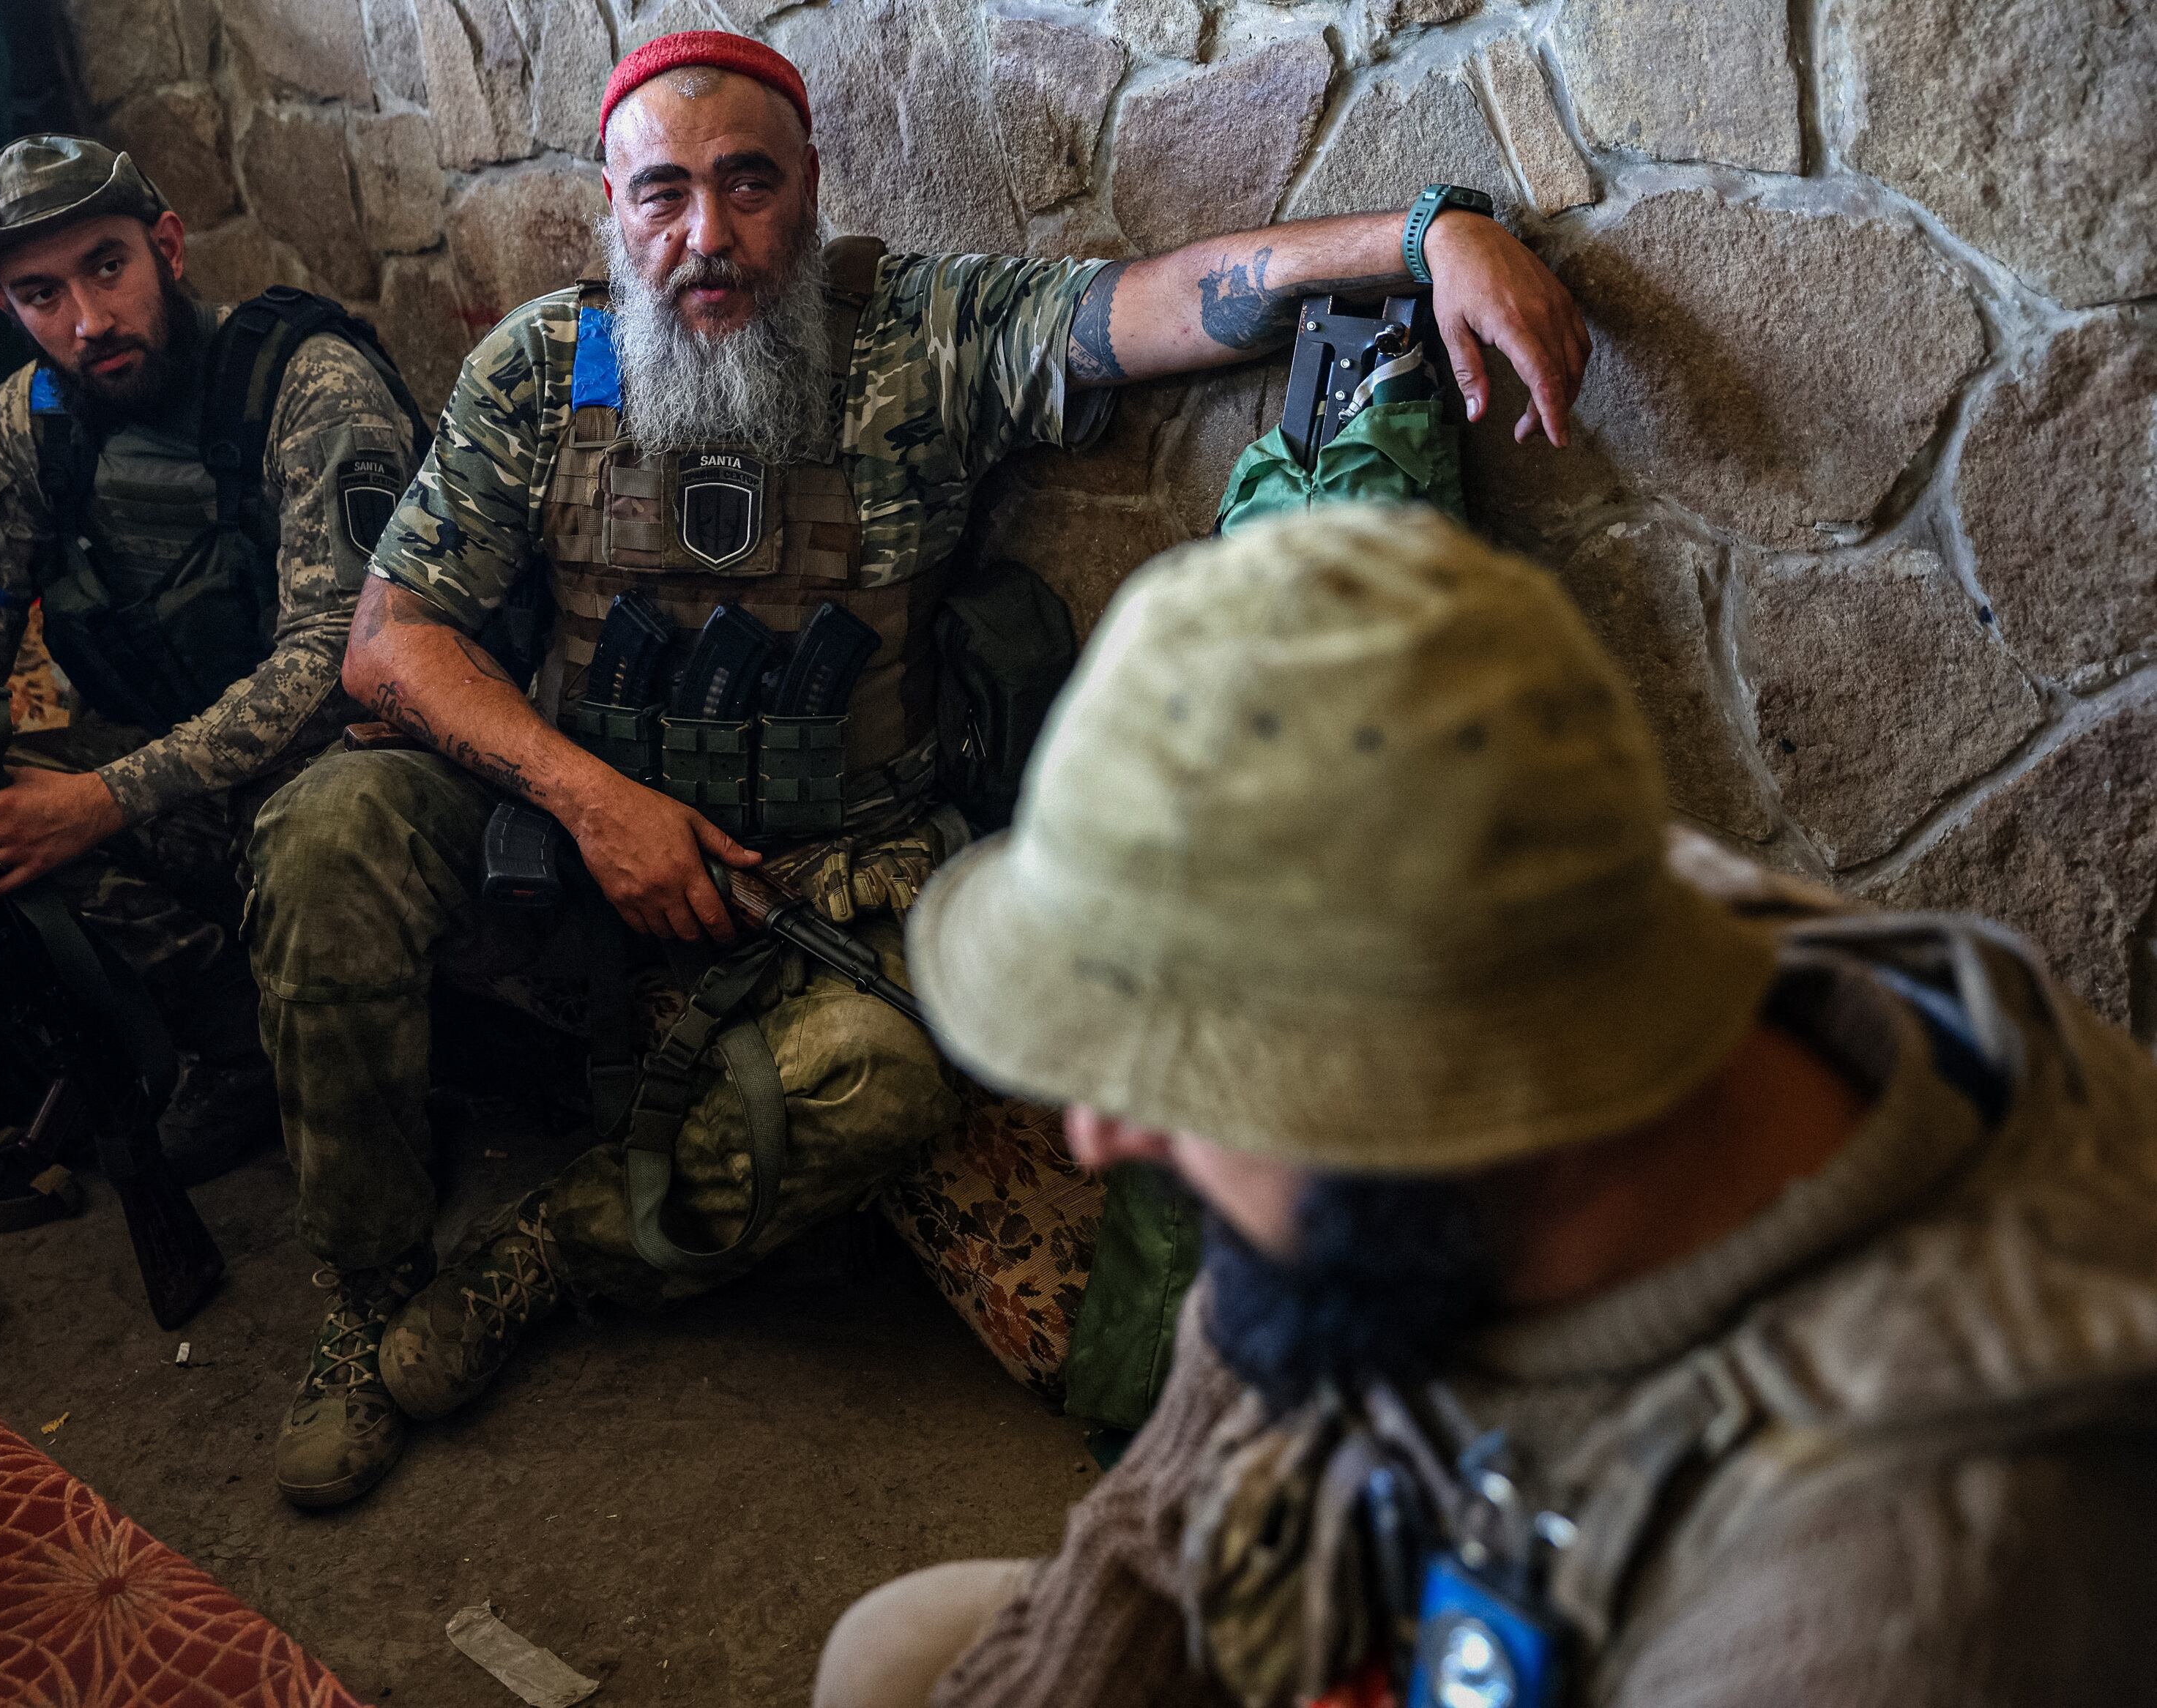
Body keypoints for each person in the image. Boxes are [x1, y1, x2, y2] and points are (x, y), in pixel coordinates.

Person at [247, 29, 1592, 1510]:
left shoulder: (924, 336)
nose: (707, 235)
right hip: (569, 841)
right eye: (663, 194)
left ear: (810, 185)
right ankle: (368, 1298)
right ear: (610, 210)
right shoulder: (536, 368)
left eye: (748, 183)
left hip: (820, 886)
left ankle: (537, 1259)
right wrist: (591, 800)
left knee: (884, 1082)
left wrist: (1426, 235)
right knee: (331, 831)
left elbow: (1167, 305)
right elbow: (388, 642)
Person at [811, 504, 2157, 1707]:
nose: (1096, 1134)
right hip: (1399, 1570)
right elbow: (1203, 1459)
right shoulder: (1546, 909)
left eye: (1178, 1074)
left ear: (1449, 1108)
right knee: (898, 1652)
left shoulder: (1893, 1598)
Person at [0, 135, 422, 1179]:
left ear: (166, 245)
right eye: (41, 293)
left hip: (362, 777)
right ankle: (234, 1036)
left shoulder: (307, 383)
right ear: (5, 309)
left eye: (107, 267)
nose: (86, 319)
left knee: (312, 815)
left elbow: (336, 660)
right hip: (192, 790)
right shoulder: (28, 431)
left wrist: (103, 799)